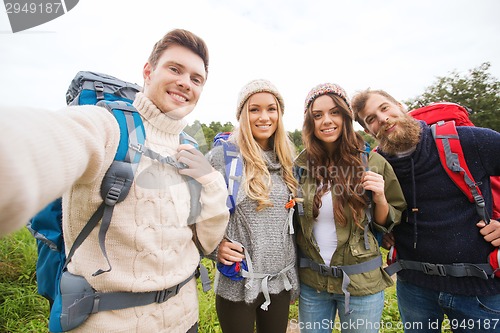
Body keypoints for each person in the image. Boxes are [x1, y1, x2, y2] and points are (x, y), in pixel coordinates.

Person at [0, 29, 229, 333]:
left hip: (185, 319)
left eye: (196, 79)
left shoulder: (189, 149)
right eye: (174, 69)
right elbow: (38, 144)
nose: (185, 82)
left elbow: (207, 240)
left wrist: (210, 179)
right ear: (148, 72)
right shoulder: (107, 127)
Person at [351, 88, 500, 333]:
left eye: (385, 108)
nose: (382, 118)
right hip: (414, 288)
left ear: (400, 105)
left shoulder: (467, 141)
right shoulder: (377, 165)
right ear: (369, 131)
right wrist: (386, 230)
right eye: (371, 119)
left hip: (479, 290)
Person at [295, 83, 406, 333]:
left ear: (346, 116)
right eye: (317, 115)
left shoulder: (373, 162)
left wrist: (379, 198)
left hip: (361, 285)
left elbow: (387, 223)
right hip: (313, 284)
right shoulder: (300, 167)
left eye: (335, 112)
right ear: (309, 122)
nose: (326, 121)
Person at [206, 79, 300, 333]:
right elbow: (192, 213)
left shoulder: (288, 161)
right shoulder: (223, 158)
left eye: (271, 109)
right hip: (238, 283)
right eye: (254, 109)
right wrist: (214, 248)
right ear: (242, 115)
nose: (264, 117)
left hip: (279, 283)